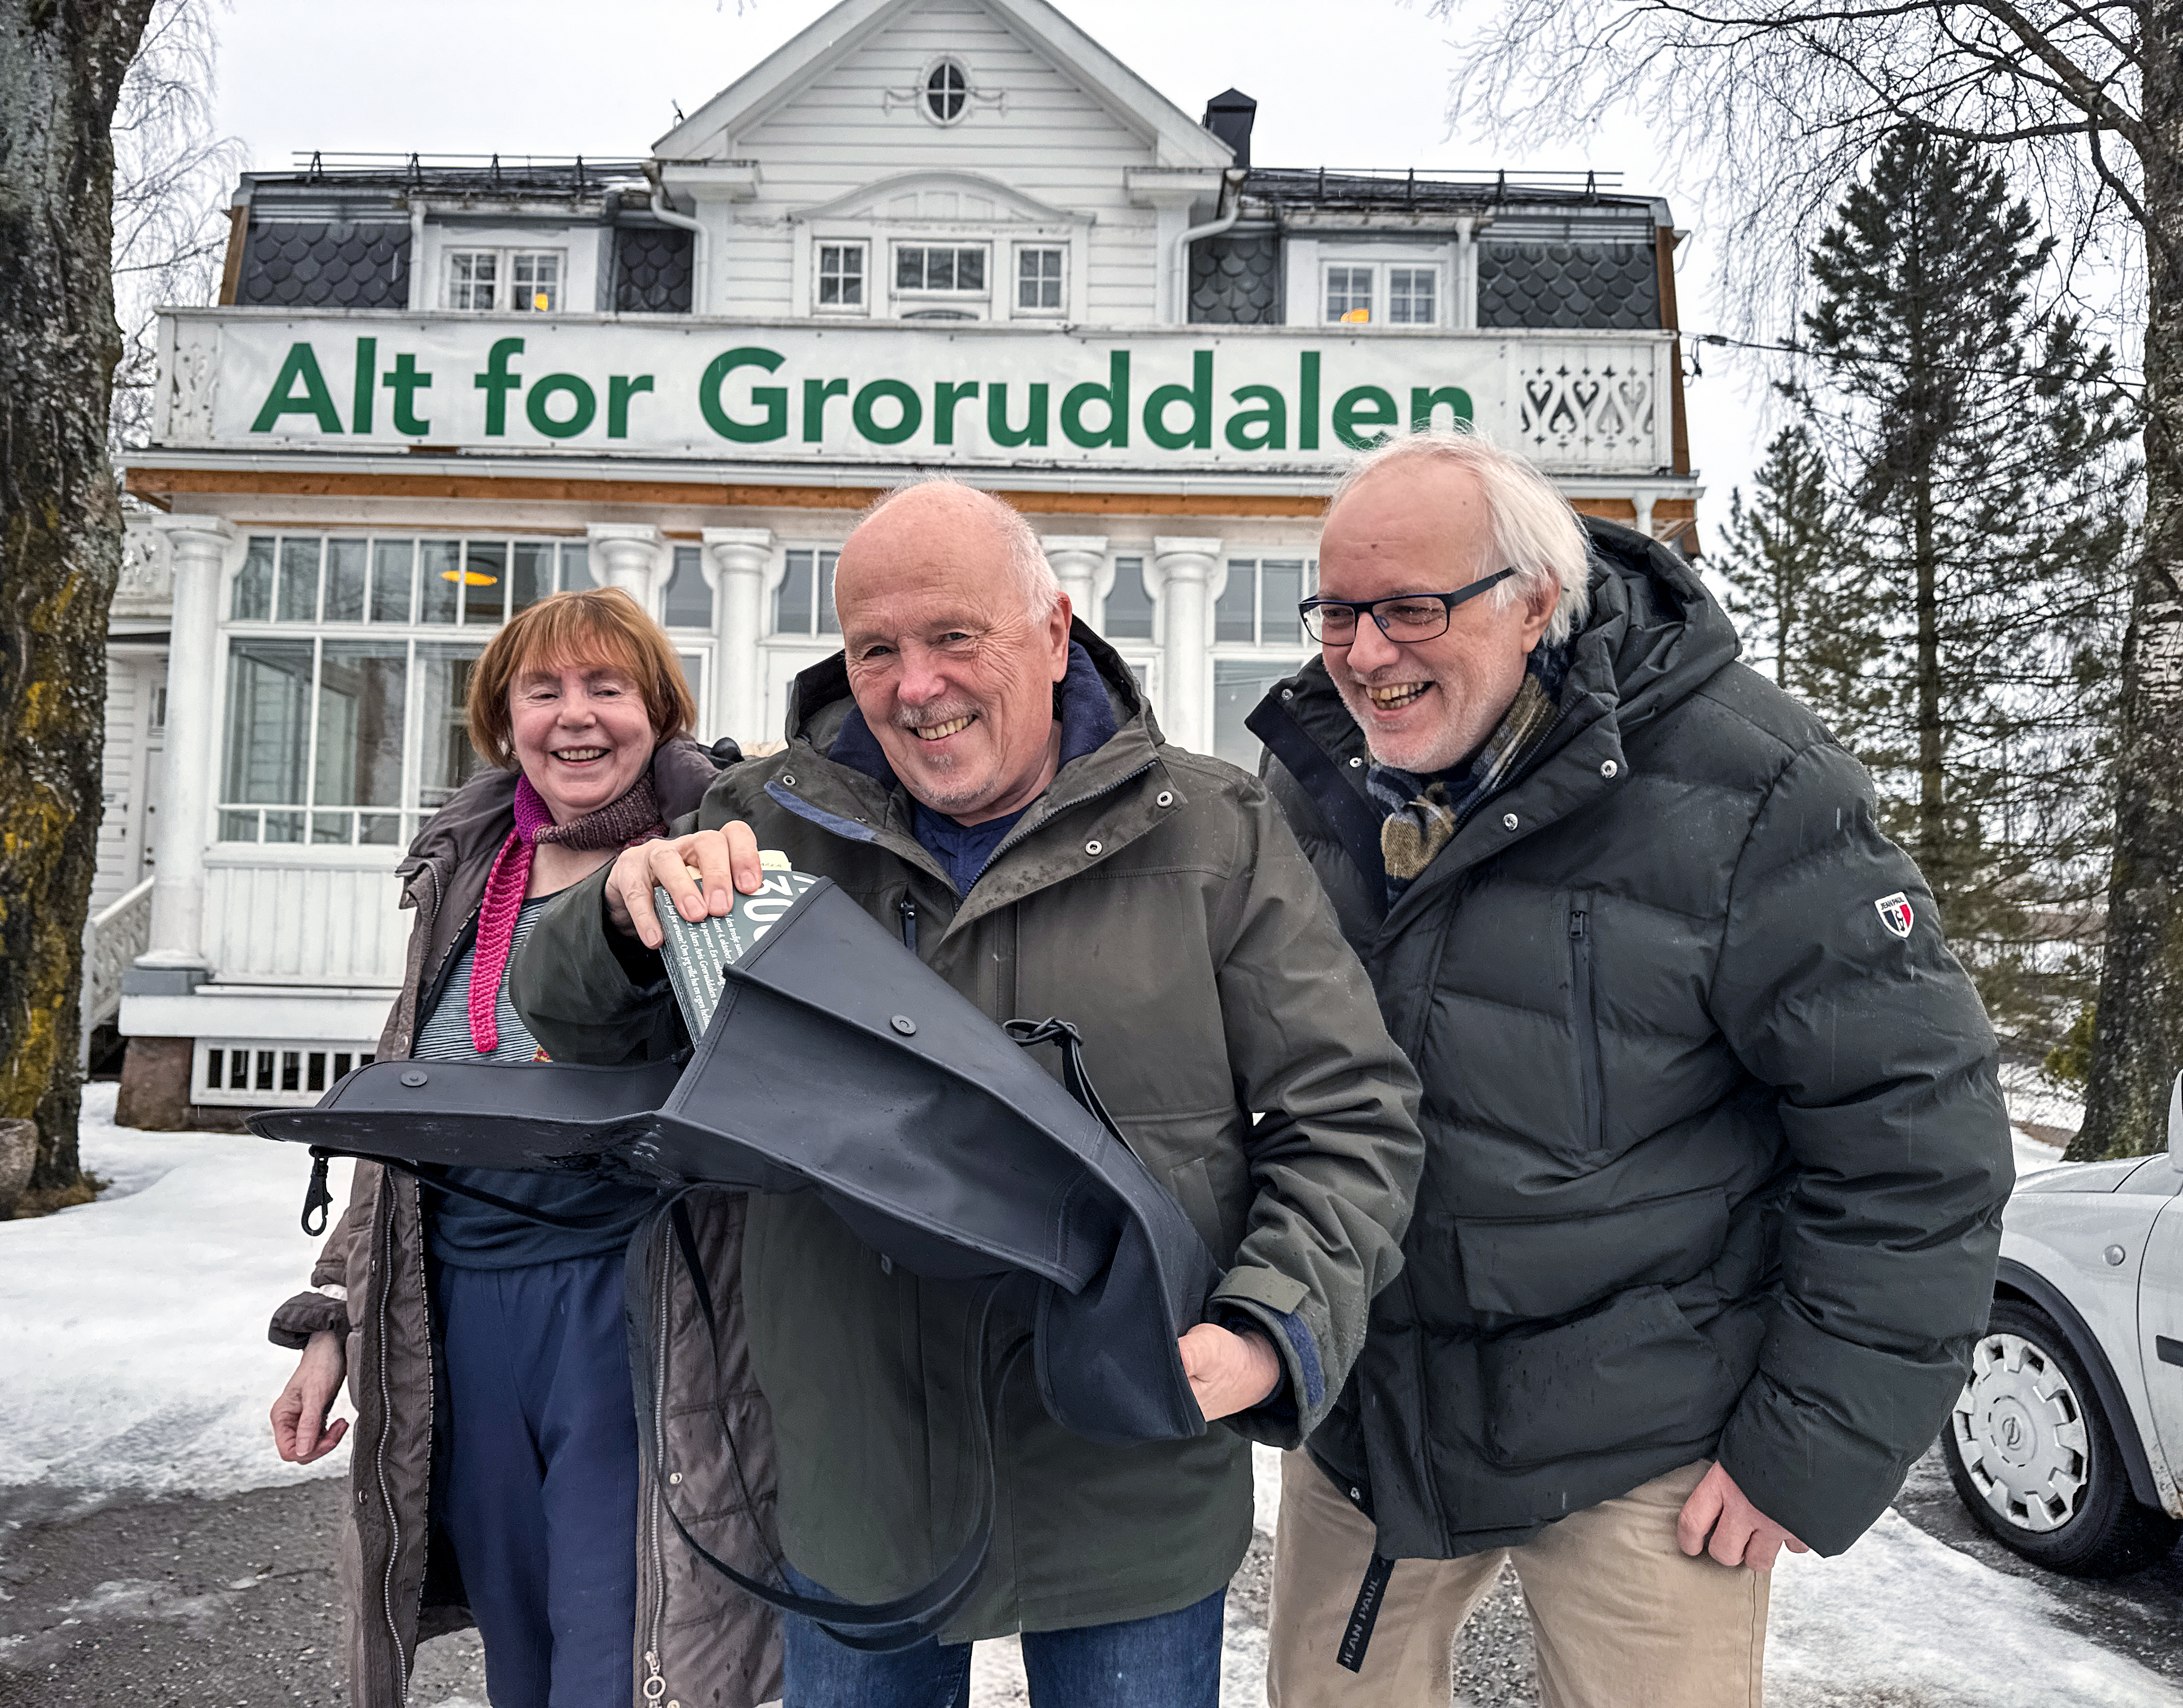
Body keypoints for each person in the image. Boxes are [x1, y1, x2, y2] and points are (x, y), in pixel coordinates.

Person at [509, 480, 1427, 1708]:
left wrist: (1274, 1326)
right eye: (876, 649)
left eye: (954, 637)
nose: (915, 684)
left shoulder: (1212, 830)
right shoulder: (762, 823)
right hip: (857, 1481)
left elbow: (1348, 1115)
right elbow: (573, 1021)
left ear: (1053, 633)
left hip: (1130, 1473)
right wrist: (619, 919)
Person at [1249, 431, 2014, 1708]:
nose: (1365, 653)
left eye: (1410, 610)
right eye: (1337, 611)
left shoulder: (1751, 783)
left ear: (1535, 601)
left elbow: (1915, 1138)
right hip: (1375, 1407)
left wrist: (1807, 1447)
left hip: (1649, 1427)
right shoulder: (1310, 770)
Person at [263, 586, 780, 1708]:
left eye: (609, 687)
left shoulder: (714, 858)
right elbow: (406, 1117)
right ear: (504, 719)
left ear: (661, 710)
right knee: (523, 1649)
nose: (576, 717)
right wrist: (334, 1321)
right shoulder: (464, 870)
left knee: (625, 1643)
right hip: (459, 1312)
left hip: (636, 1303)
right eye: (543, 691)